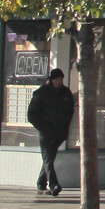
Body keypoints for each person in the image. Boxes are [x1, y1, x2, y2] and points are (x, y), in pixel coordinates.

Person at [25, 68, 75, 196]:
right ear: (51, 80)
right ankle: (53, 185)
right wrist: (44, 128)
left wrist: (65, 129)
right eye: (57, 79)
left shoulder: (65, 92)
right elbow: (32, 115)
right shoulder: (41, 93)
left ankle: (41, 184)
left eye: (61, 79)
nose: (59, 82)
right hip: (46, 132)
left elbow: (70, 112)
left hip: (60, 132)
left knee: (49, 158)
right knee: (48, 158)